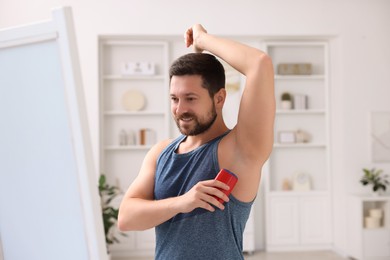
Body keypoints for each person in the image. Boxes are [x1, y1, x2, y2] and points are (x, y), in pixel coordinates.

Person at [118, 24, 275, 259]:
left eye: (190, 98)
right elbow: (126, 218)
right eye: (174, 98)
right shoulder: (161, 152)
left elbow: (259, 64)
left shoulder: (240, 149)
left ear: (219, 98)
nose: (180, 109)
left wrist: (202, 39)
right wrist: (182, 203)